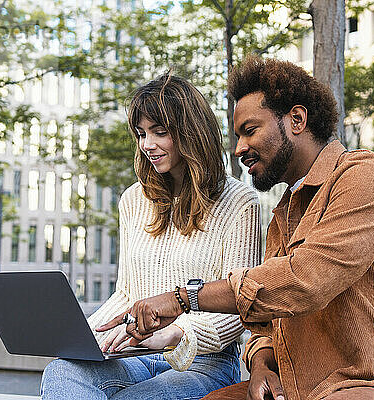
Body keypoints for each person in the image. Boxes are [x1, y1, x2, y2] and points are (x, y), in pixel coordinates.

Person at [102, 56, 374, 400]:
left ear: (296, 119)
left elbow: (305, 280)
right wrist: (262, 365)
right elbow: (264, 324)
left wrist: (184, 298)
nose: (239, 149)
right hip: (299, 387)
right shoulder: (283, 214)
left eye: (250, 131)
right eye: (237, 136)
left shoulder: (366, 176)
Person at [40, 72, 262, 399]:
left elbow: (240, 308)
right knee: (62, 371)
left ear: (190, 134)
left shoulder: (240, 203)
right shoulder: (133, 200)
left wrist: (176, 333)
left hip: (205, 362)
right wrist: (83, 336)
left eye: (159, 132)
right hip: (138, 353)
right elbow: (128, 293)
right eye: (142, 134)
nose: (147, 145)